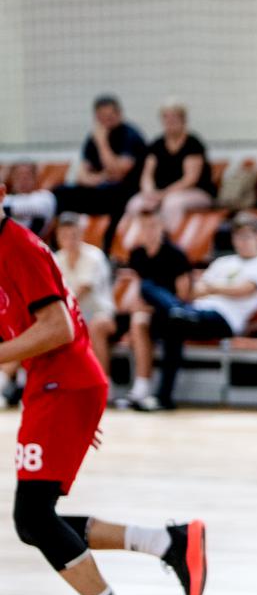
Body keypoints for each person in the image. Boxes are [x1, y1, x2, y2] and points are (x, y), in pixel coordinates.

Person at [0, 182, 207, 595]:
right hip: (56, 385)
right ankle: (168, 542)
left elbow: (58, 327)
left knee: (34, 518)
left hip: (64, 382)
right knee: (35, 521)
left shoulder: (16, 245)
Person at [148, 212, 257, 408]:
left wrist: (212, 288)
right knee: (153, 298)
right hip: (197, 311)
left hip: (225, 319)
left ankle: (160, 395)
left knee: (171, 320)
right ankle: (160, 397)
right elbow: (194, 291)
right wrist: (216, 289)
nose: (243, 242)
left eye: (247, 236)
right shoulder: (223, 262)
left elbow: (245, 289)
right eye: (238, 236)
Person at [115, 207, 193, 411]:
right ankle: (108, 388)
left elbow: (183, 295)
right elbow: (135, 289)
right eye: (144, 226)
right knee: (104, 323)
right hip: (143, 309)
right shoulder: (137, 254)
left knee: (140, 319)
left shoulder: (176, 254)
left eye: (153, 226)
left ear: (162, 227)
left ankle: (141, 388)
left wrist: (148, 308)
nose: (148, 230)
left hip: (168, 313)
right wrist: (137, 306)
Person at [124, 101, 217, 233]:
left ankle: (167, 240)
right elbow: (147, 174)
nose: (170, 121)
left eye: (174, 117)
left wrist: (163, 194)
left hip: (194, 192)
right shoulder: (157, 144)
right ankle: (139, 240)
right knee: (135, 203)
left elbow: (190, 179)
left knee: (172, 203)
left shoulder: (193, 144)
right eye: (166, 118)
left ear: (183, 120)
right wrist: (149, 193)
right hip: (161, 193)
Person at [52, 95, 148, 220]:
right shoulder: (93, 138)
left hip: (125, 190)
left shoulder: (130, 135)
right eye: (102, 116)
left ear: (119, 114)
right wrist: (101, 177)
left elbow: (117, 173)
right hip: (100, 188)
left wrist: (102, 142)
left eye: (110, 116)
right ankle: (67, 229)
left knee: (111, 194)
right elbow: (81, 176)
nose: (106, 120)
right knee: (60, 192)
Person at [53, 212, 115, 371]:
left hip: (100, 314)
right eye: (64, 234)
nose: (69, 239)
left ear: (81, 234)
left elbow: (82, 290)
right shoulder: (56, 258)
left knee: (95, 326)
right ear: (58, 236)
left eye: (73, 234)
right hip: (70, 315)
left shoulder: (94, 256)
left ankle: (103, 380)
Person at [0, 161, 55, 233]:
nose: (23, 180)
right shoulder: (7, 198)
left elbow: (35, 207)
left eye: (27, 176)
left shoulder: (45, 197)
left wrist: (5, 207)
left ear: (35, 178)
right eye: (18, 176)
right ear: (12, 178)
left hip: (37, 239)